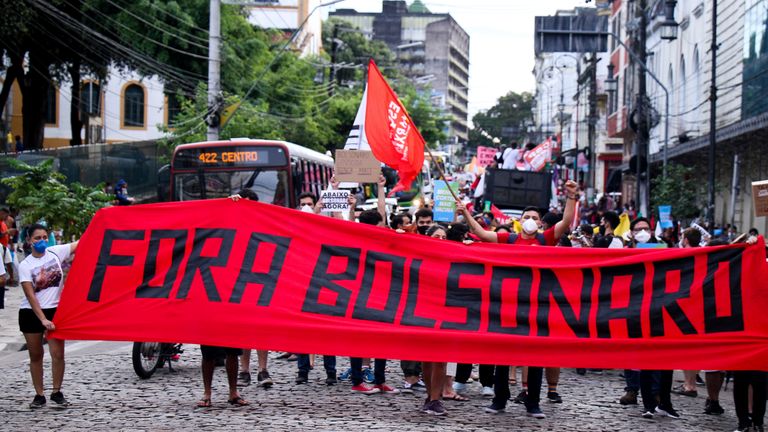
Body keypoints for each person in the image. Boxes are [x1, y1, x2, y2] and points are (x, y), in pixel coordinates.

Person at [459, 179, 580, 420]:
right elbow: (483, 234)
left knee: (534, 357)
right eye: (528, 216)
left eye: (535, 217)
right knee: (503, 357)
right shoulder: (511, 240)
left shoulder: (546, 239)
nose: (531, 221)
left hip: (537, 307)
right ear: (519, 220)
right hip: (510, 307)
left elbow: (566, 222)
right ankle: (499, 399)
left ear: (540, 222)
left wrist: (572, 196)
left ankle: (533, 403)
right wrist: (466, 213)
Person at [18, 223, 78, 408]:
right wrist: (43, 319)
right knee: (36, 355)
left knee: (58, 354)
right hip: (32, 313)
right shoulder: (25, 265)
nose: (42, 241)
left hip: (56, 310)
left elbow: (82, 243)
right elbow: (30, 295)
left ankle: (56, 392)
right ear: (29, 241)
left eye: (45, 237)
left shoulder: (55, 252)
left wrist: (103, 222)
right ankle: (39, 394)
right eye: (37, 238)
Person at [228, 189, 274, 389]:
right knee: (243, 329)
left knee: (261, 328)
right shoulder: (234, 222)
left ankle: (263, 370)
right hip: (238, 281)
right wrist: (229, 204)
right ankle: (244, 370)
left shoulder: (266, 222)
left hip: (261, 280)